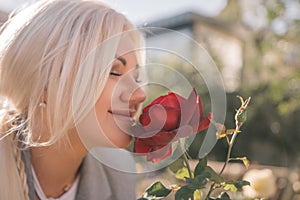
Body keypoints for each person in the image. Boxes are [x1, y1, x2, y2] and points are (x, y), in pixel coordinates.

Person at [0, 0, 146, 199]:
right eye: (113, 72)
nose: (140, 94)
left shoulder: (119, 173)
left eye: (136, 78)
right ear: (44, 83)